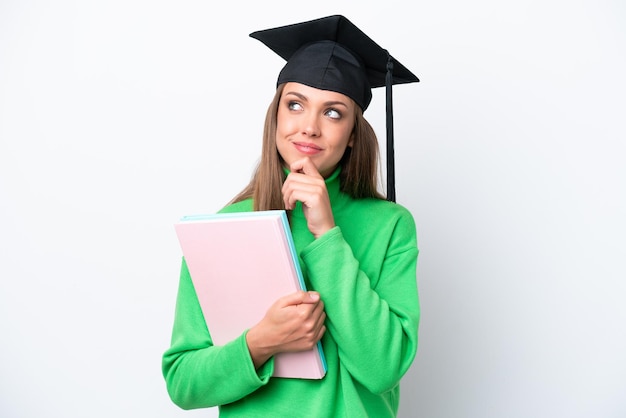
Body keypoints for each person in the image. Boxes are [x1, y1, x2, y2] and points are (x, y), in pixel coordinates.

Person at [162, 15, 420, 417]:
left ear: (353, 133)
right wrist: (261, 342)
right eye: (295, 104)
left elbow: (383, 368)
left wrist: (326, 233)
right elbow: (182, 383)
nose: (309, 127)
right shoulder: (226, 226)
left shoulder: (390, 226)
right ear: (276, 115)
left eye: (333, 112)